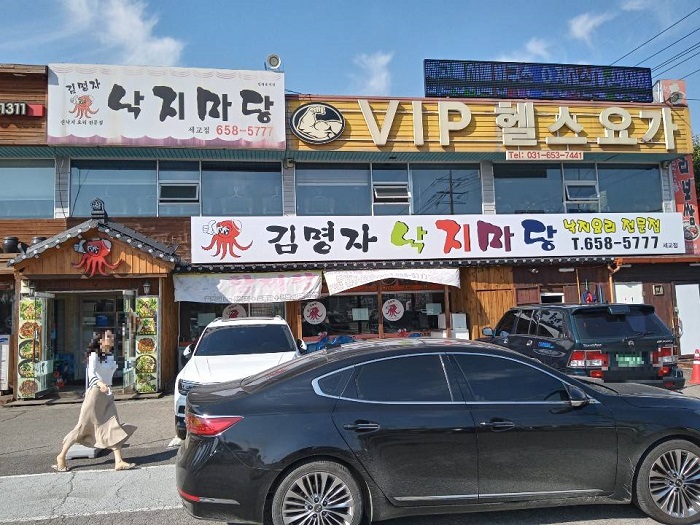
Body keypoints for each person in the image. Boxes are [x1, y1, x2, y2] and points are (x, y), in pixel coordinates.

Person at [52, 330, 137, 472]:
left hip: (107, 394)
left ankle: (119, 461)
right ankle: (61, 456)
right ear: (100, 340)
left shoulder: (110, 357)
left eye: (112, 336)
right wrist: (100, 383)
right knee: (83, 427)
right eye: (108, 337)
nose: (112, 338)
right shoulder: (94, 356)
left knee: (113, 426)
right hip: (95, 394)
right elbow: (91, 374)